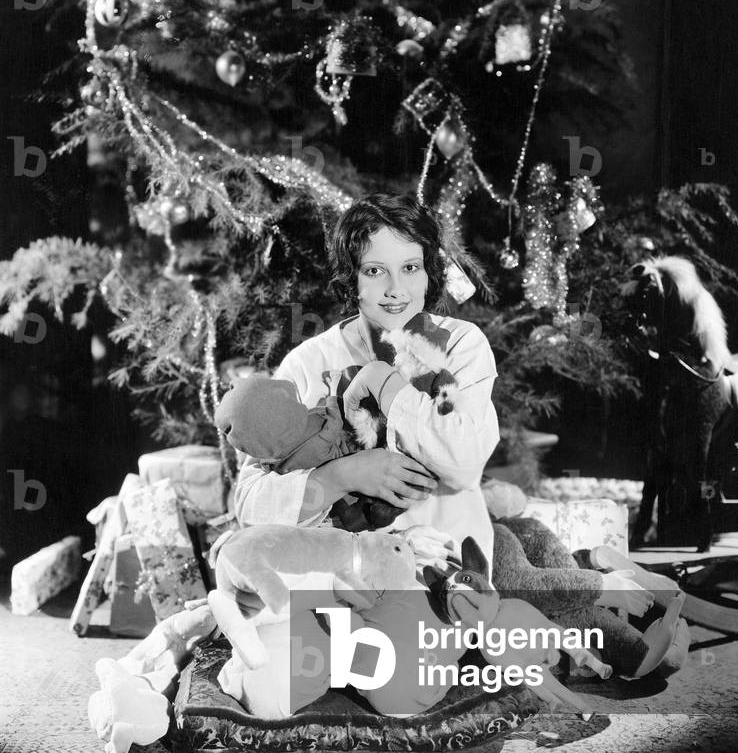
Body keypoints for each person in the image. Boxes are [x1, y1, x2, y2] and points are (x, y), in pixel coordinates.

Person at [219, 193, 650, 719]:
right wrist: (341, 474)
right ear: (350, 278)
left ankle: (554, 598)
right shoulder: (309, 364)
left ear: (430, 274)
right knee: (278, 688)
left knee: (400, 696)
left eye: (410, 268)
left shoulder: (463, 345)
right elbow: (250, 505)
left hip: (439, 578)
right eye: (374, 270)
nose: (395, 289)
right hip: (338, 578)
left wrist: (386, 383)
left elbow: (465, 461)